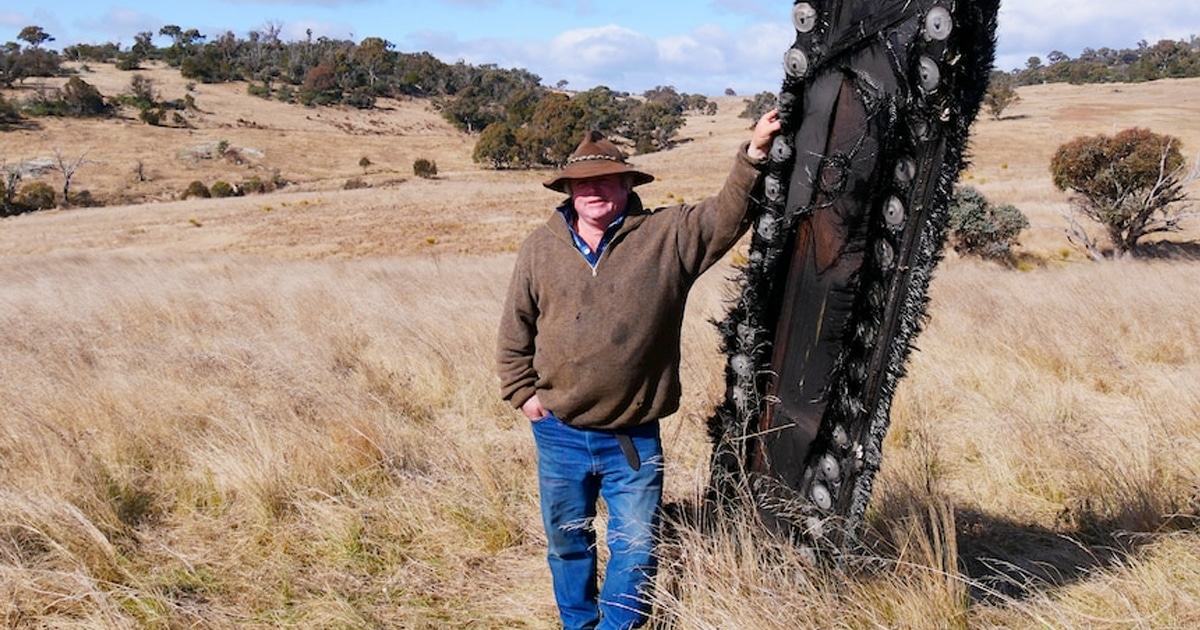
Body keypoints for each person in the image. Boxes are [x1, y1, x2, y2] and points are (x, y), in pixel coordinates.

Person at [497, 111, 782, 630]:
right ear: (567, 190)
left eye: (606, 178)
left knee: (635, 545)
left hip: (632, 437)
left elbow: (726, 216)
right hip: (558, 432)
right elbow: (516, 328)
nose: (594, 190)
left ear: (629, 183)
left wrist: (754, 153)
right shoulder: (540, 248)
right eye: (582, 182)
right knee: (567, 544)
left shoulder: (666, 236)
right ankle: (577, 624)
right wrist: (523, 394)